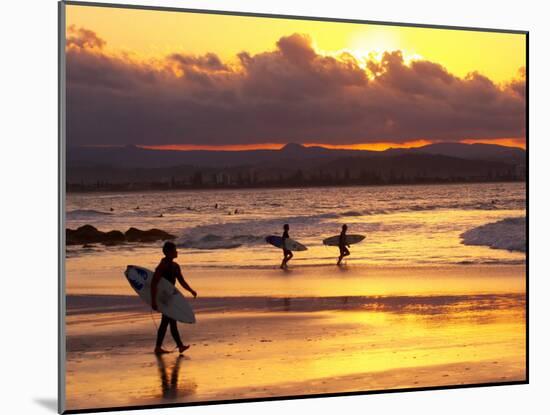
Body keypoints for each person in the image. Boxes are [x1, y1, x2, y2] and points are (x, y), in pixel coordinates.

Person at [151, 241, 197, 355]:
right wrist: (153, 300)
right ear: (168, 252)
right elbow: (153, 283)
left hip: (171, 297)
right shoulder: (162, 266)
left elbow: (181, 281)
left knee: (169, 322)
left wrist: (190, 290)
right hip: (164, 298)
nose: (176, 252)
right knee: (168, 322)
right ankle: (167, 346)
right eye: (174, 250)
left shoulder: (175, 266)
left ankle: (176, 346)